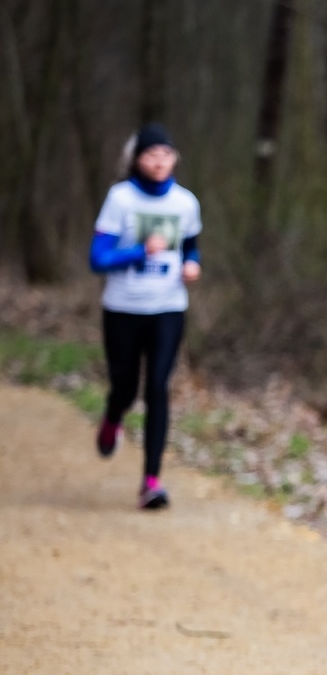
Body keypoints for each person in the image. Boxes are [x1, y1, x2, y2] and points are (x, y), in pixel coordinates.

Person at [88, 123, 202, 510]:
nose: (159, 161)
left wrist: (191, 265)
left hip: (168, 307)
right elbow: (97, 258)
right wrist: (138, 251)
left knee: (157, 387)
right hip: (123, 307)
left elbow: (192, 246)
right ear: (137, 160)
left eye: (165, 154)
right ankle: (112, 416)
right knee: (125, 387)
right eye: (151, 155)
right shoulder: (120, 199)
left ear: (174, 159)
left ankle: (151, 482)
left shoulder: (186, 203)